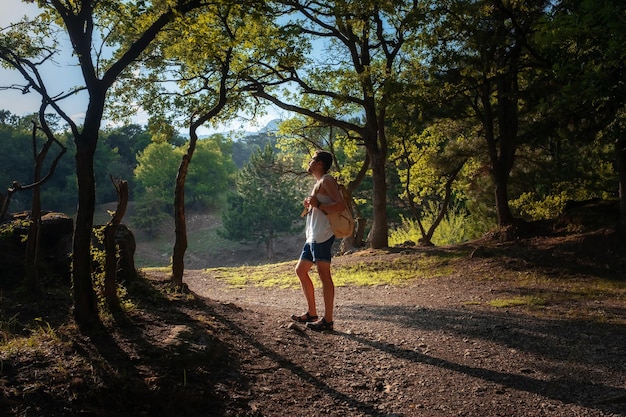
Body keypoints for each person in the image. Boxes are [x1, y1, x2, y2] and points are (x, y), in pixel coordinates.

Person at [292, 150, 346, 331]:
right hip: (312, 236)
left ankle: (328, 321)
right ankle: (312, 313)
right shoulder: (319, 183)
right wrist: (310, 205)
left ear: (320, 163)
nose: (309, 162)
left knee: (324, 276)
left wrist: (319, 205)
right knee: (300, 270)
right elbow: (320, 204)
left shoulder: (327, 180)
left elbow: (340, 205)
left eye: (312, 159)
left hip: (323, 235)